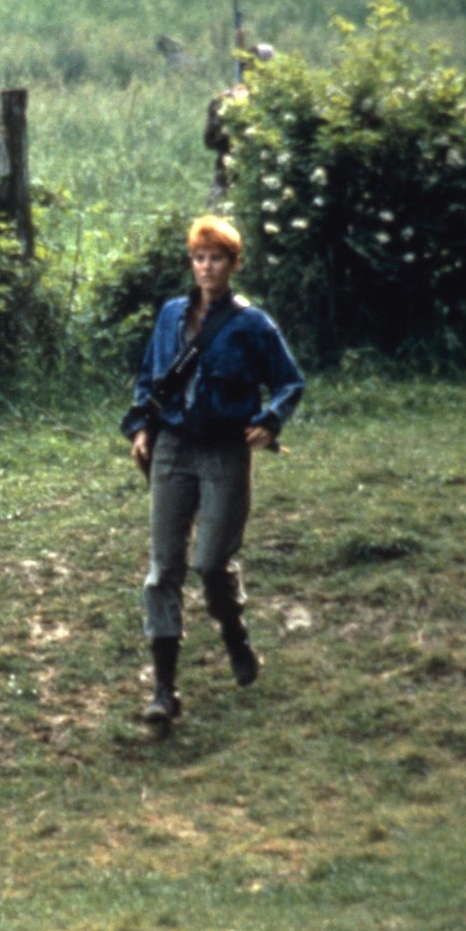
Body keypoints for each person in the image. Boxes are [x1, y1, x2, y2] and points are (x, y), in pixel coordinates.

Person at [120, 216, 304, 725]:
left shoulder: (252, 324)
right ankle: (164, 689)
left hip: (225, 451)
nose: (206, 268)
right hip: (173, 448)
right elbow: (150, 379)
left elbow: (290, 382)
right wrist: (142, 428)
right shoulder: (171, 316)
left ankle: (234, 636)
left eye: (216, 258)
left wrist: (270, 421)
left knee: (211, 564)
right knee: (163, 569)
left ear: (233, 264)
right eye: (199, 258)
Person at [204, 42, 274, 205]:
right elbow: (210, 140)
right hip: (230, 179)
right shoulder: (225, 100)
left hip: (262, 185)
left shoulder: (277, 101)